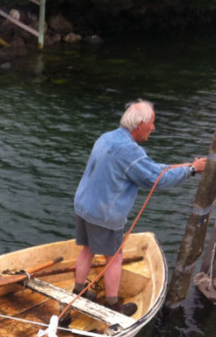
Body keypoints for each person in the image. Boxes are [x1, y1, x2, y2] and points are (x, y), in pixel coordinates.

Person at [73, 100, 207, 315]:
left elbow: (150, 168)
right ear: (140, 124)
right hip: (104, 213)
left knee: (87, 249)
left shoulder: (107, 137)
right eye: (152, 123)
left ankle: (77, 290)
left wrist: (188, 166)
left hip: (84, 205)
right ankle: (112, 305)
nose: (153, 128)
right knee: (114, 257)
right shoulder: (129, 151)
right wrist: (191, 170)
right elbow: (156, 179)